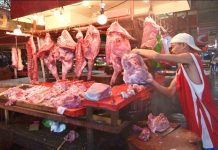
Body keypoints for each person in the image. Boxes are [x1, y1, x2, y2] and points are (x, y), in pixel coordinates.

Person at [132, 33, 218, 150]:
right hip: (192, 114)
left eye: (173, 46)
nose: (172, 49)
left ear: (183, 45)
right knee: (197, 144)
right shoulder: (181, 69)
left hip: (203, 114)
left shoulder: (191, 57)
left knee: (209, 143)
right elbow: (169, 92)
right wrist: (151, 81)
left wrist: (137, 50)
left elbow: (157, 56)